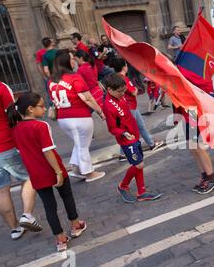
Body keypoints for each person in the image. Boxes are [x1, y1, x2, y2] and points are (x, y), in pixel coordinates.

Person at [7, 93, 87, 252]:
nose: (45, 109)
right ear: (30, 109)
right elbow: (48, 152)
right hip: (52, 169)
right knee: (67, 196)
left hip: (36, 174)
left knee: (49, 207)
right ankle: (76, 225)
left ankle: (61, 239)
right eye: (41, 106)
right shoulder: (41, 126)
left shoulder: (15, 130)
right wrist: (58, 171)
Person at [103, 73, 163, 203]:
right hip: (126, 139)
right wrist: (124, 133)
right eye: (120, 91)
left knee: (139, 162)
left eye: (123, 91)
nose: (122, 93)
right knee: (139, 164)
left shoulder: (121, 97)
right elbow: (112, 128)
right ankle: (123, 185)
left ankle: (141, 191)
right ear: (109, 90)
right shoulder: (108, 106)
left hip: (133, 135)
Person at [48, 50, 106, 182]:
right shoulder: (74, 77)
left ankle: (76, 169)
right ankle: (88, 172)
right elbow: (87, 98)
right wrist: (100, 111)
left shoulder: (51, 80)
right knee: (83, 146)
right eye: (72, 59)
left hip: (63, 118)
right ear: (66, 62)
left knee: (79, 143)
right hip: (79, 117)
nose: (74, 60)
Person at [0, 81, 42, 240]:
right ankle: (27, 215)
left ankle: (15, 228)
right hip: (6, 144)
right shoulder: (0, 88)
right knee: (30, 177)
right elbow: (13, 113)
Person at [110, 58, 165, 154]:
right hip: (129, 107)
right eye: (126, 65)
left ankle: (151, 144)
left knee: (140, 126)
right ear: (124, 67)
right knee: (128, 130)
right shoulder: (123, 79)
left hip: (131, 106)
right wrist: (135, 88)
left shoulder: (117, 77)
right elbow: (133, 92)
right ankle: (123, 153)